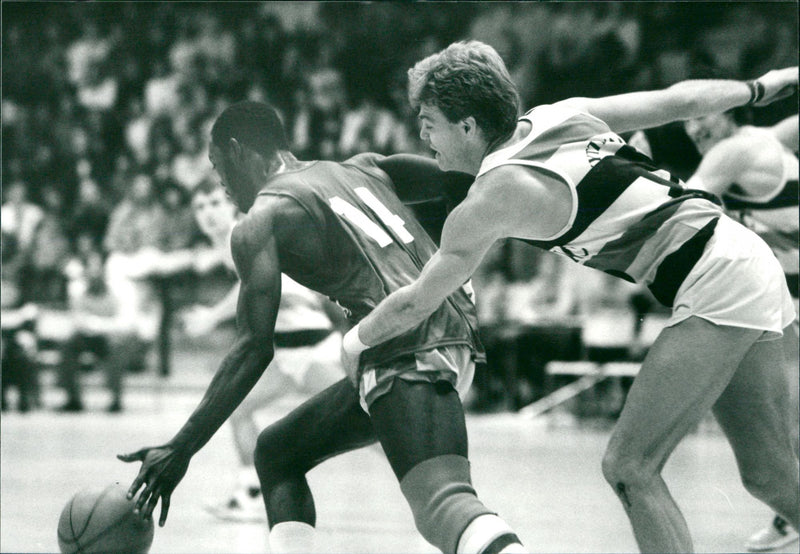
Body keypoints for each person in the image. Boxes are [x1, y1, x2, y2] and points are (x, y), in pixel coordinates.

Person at [341, 41, 799, 553]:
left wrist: (355, 345)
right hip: (746, 259)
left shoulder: (491, 197)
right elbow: (676, 101)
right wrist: (758, 87)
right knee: (769, 477)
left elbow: (416, 301)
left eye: (428, 121)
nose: (422, 135)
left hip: (719, 278)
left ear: (467, 126)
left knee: (630, 468)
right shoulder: (557, 116)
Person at [118, 100, 525, 554]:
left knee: (443, 504)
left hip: (402, 343)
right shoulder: (364, 167)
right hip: (452, 326)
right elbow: (465, 182)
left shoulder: (260, 221)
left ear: (236, 151)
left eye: (218, 171)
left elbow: (253, 348)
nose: (223, 187)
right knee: (277, 454)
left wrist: (180, 448)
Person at [681, 111, 799, 552]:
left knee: (787, 421)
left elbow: (686, 202)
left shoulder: (735, 151)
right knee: (786, 421)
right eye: (687, 123)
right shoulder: (763, 139)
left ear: (731, 112)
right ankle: (790, 515)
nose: (693, 128)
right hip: (788, 300)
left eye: (702, 115)